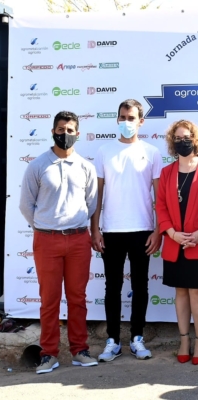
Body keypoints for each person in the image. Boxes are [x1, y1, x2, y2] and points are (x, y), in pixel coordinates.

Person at [19, 111, 98, 374]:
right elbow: (26, 205)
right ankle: (48, 354)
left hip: (78, 240)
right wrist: (47, 226)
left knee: (78, 298)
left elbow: (91, 204)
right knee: (49, 300)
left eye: (71, 129)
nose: (66, 133)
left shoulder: (86, 166)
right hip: (47, 241)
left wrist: (70, 223)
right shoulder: (38, 165)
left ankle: (80, 350)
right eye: (61, 129)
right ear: (53, 131)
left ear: (78, 133)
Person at [91, 99, 162, 362]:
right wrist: (95, 229)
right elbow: (97, 195)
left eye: (131, 118)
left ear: (141, 122)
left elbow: (159, 196)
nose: (126, 122)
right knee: (113, 287)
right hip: (111, 230)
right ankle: (112, 340)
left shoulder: (152, 152)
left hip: (143, 229)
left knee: (141, 286)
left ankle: (137, 338)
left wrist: (158, 230)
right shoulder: (103, 151)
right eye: (122, 117)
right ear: (117, 119)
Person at [155, 120, 198, 365]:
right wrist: (171, 233)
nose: (182, 141)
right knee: (180, 292)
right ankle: (184, 340)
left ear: (196, 140)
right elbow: (160, 206)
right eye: (177, 138)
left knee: (197, 292)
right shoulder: (166, 172)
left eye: (187, 137)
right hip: (175, 243)